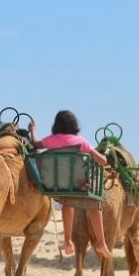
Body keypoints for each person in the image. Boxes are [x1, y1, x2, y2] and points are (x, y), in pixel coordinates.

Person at [28, 110, 112, 258]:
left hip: (55, 186)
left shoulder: (51, 140)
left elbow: (35, 143)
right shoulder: (80, 141)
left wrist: (32, 130)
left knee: (68, 203)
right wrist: (103, 156)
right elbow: (102, 161)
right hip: (79, 184)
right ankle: (101, 241)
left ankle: (67, 241)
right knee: (94, 201)